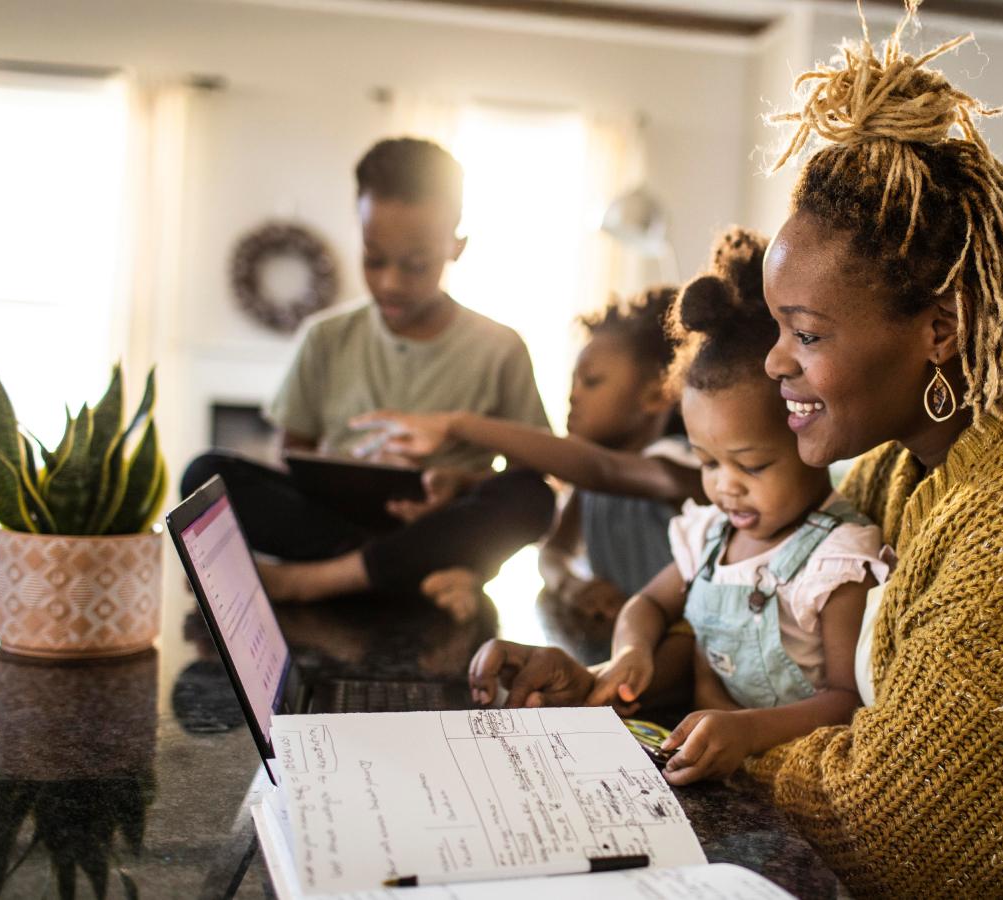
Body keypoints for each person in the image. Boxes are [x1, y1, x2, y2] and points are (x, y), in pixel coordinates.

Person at [467, 3, 1003, 896]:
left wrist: (675, 737)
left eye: (806, 333)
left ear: (942, 328)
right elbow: (780, 662)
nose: (776, 359)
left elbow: (894, 830)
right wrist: (602, 692)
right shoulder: (912, 464)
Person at [179, 137, 553, 617]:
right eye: (374, 259)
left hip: (444, 526)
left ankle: (315, 583)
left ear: (456, 246)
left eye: (416, 265)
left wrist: (457, 486)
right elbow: (292, 455)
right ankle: (409, 575)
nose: (391, 282)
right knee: (204, 475)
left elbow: (531, 470)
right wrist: (344, 477)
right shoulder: (325, 337)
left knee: (531, 497)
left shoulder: (501, 347)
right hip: (350, 532)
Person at [583, 227, 887, 786]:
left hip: (788, 783)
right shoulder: (710, 535)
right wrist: (631, 652)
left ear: (809, 437)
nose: (726, 488)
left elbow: (847, 701)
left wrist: (746, 729)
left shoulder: (836, 561)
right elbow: (647, 606)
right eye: (708, 462)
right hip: (707, 767)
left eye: (752, 466)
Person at [353, 286, 704, 621]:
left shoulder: (681, 464)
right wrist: (572, 587)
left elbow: (602, 469)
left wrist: (457, 425)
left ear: (656, 396)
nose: (573, 395)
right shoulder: (587, 485)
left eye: (592, 381)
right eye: (573, 380)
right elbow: (553, 550)